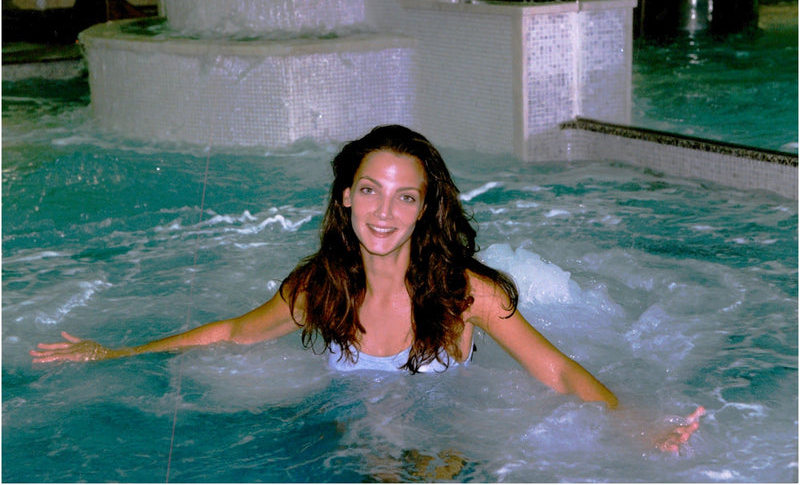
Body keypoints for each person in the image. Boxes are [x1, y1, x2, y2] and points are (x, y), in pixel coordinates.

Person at [30, 124, 702, 452]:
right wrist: (116, 353)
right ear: (346, 197)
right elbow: (231, 331)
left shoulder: (465, 292)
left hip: (456, 423)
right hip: (360, 425)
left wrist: (639, 426)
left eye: (404, 196)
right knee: (379, 452)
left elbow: (556, 370)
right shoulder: (317, 289)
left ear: (423, 208)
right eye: (370, 191)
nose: (384, 212)